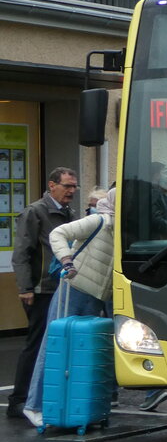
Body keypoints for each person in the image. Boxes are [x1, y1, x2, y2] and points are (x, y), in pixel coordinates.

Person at [23, 188, 127, 426]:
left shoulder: (122, 229)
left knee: (81, 353)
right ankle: (34, 405)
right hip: (74, 288)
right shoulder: (99, 220)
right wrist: (66, 260)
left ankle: (70, 406)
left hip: (97, 295)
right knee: (54, 344)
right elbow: (58, 233)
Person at [8, 167, 77, 419]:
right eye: (67, 186)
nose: (71, 191)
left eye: (74, 186)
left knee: (55, 344)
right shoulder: (35, 212)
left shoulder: (68, 213)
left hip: (62, 287)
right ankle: (18, 400)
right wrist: (25, 288)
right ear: (52, 186)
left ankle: (44, 397)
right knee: (36, 344)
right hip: (40, 289)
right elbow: (21, 254)